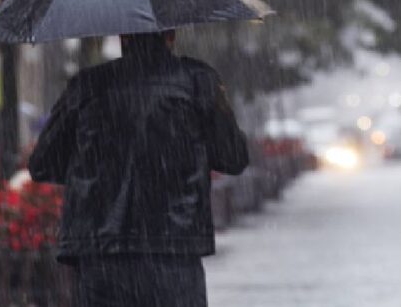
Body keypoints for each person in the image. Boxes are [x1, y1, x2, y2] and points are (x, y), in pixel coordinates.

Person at [29, 30, 249, 307]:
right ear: (170, 35)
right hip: (174, 252)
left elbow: (42, 164)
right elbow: (234, 158)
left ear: (123, 37)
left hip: (102, 256)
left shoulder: (87, 85)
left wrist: (94, 170)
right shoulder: (197, 81)